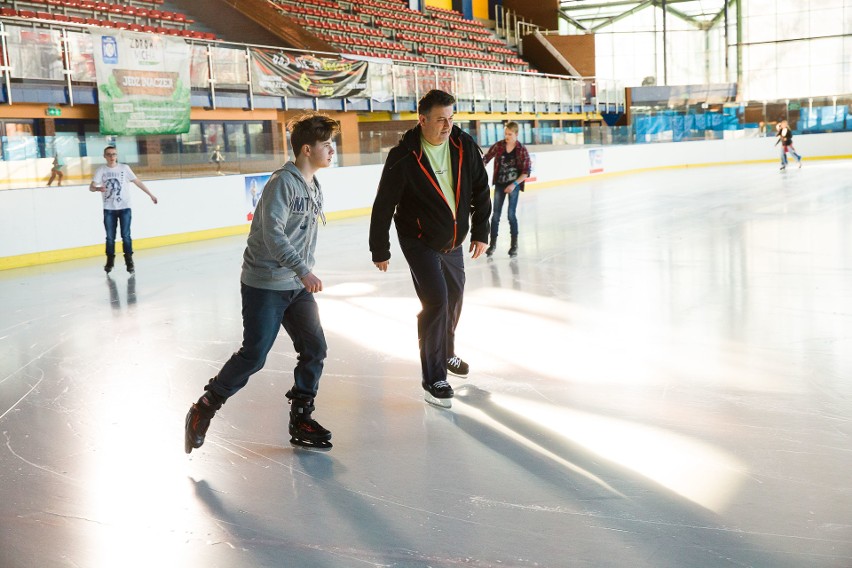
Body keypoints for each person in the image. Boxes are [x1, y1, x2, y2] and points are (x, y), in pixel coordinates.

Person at [185, 112, 339, 453]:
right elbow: (273, 235)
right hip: (266, 283)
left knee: (315, 349)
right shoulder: (282, 183)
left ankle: (301, 416)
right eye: (326, 144)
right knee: (254, 355)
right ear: (305, 149)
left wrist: (300, 273)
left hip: (295, 285)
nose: (332, 150)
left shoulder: (313, 184)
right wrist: (303, 269)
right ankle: (204, 408)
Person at [369, 89, 491, 408]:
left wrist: (480, 230)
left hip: (453, 241)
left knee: (455, 297)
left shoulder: (463, 146)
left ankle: (446, 353)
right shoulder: (404, 157)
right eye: (440, 120)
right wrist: (379, 248)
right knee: (436, 301)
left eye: (451, 119)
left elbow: (480, 188)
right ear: (422, 120)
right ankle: (433, 377)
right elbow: (384, 204)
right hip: (419, 240)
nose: (447, 125)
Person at [89, 146, 158, 274]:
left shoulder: (124, 168)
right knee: (110, 237)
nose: (111, 157)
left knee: (126, 235)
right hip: (109, 209)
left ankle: (129, 261)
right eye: (109, 154)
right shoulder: (101, 170)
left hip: (125, 207)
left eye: (114, 154)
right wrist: (98, 189)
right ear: (104, 156)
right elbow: (91, 187)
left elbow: (137, 182)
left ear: (117, 156)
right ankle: (110, 260)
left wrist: (150, 194)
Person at [482, 121, 531, 257]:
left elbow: (526, 172)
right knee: (495, 216)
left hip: (513, 185)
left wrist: (514, 185)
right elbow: (486, 158)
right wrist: (478, 168)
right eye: (505, 134)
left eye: (509, 134)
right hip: (500, 184)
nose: (507, 136)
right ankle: (492, 245)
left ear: (516, 134)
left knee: (511, 215)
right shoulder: (499, 146)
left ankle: (514, 245)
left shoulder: (521, 150)